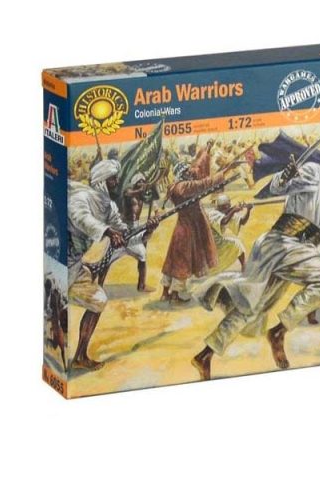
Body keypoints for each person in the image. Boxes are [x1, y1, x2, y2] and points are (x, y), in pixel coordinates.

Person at [192, 133, 320, 380]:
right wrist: (285, 177)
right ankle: (279, 332)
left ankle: (205, 355)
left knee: (252, 307)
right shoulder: (316, 171)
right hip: (282, 244)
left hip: (295, 250)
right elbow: (278, 187)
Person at [67, 159, 159, 370]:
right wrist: (108, 231)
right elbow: (81, 219)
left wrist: (148, 230)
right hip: (63, 265)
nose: (116, 183)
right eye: (112, 179)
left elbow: (126, 236)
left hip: (75, 267)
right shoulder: (80, 198)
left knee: (98, 300)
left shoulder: (109, 207)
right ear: (102, 181)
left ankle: (80, 356)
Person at [160, 147, 224, 303]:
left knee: (173, 260)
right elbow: (204, 183)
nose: (191, 174)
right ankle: (175, 296)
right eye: (187, 173)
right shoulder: (184, 187)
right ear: (183, 175)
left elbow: (198, 172)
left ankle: (165, 293)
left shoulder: (176, 187)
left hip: (181, 228)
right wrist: (224, 172)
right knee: (182, 262)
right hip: (187, 230)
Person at [206, 194, 252, 272]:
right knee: (236, 244)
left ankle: (244, 266)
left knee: (238, 244)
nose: (227, 208)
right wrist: (233, 210)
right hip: (210, 242)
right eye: (225, 207)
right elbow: (224, 221)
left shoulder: (228, 214)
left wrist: (248, 210)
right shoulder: (212, 214)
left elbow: (242, 222)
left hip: (218, 240)